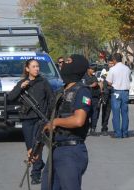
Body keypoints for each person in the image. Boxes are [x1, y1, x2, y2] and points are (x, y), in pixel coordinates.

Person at [37, 54, 91, 190]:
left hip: (71, 151)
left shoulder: (82, 91)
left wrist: (56, 121)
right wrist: (36, 148)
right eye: (61, 63)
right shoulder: (61, 91)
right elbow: (47, 122)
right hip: (56, 148)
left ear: (76, 68)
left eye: (66, 63)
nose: (62, 66)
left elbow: (79, 120)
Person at [7, 59, 54, 184]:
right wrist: (20, 88)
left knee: (36, 146)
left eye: (38, 66)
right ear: (27, 69)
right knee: (30, 148)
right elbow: (10, 98)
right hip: (27, 120)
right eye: (33, 67)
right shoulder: (22, 83)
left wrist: (48, 117)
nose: (36, 69)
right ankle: (39, 164)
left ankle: (35, 174)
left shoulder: (44, 82)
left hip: (40, 119)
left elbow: (51, 100)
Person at [106, 53, 131, 138]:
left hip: (116, 92)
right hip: (125, 92)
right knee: (125, 113)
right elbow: (129, 78)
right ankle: (125, 132)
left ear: (114, 60)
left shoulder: (112, 69)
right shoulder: (127, 68)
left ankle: (118, 133)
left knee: (116, 114)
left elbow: (109, 82)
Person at [82, 64, 101, 136]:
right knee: (86, 112)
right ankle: (86, 128)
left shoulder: (94, 77)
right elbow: (83, 85)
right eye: (92, 69)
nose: (93, 71)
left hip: (94, 97)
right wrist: (90, 85)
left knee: (94, 113)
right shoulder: (84, 77)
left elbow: (95, 83)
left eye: (94, 70)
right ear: (88, 69)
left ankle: (93, 128)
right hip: (86, 97)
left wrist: (91, 85)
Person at [99, 56, 114, 136]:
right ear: (108, 63)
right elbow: (101, 81)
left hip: (114, 92)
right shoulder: (105, 70)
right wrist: (101, 91)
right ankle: (104, 127)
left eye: (112, 63)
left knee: (114, 111)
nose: (111, 65)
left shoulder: (116, 70)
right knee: (106, 110)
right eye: (110, 63)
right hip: (106, 92)